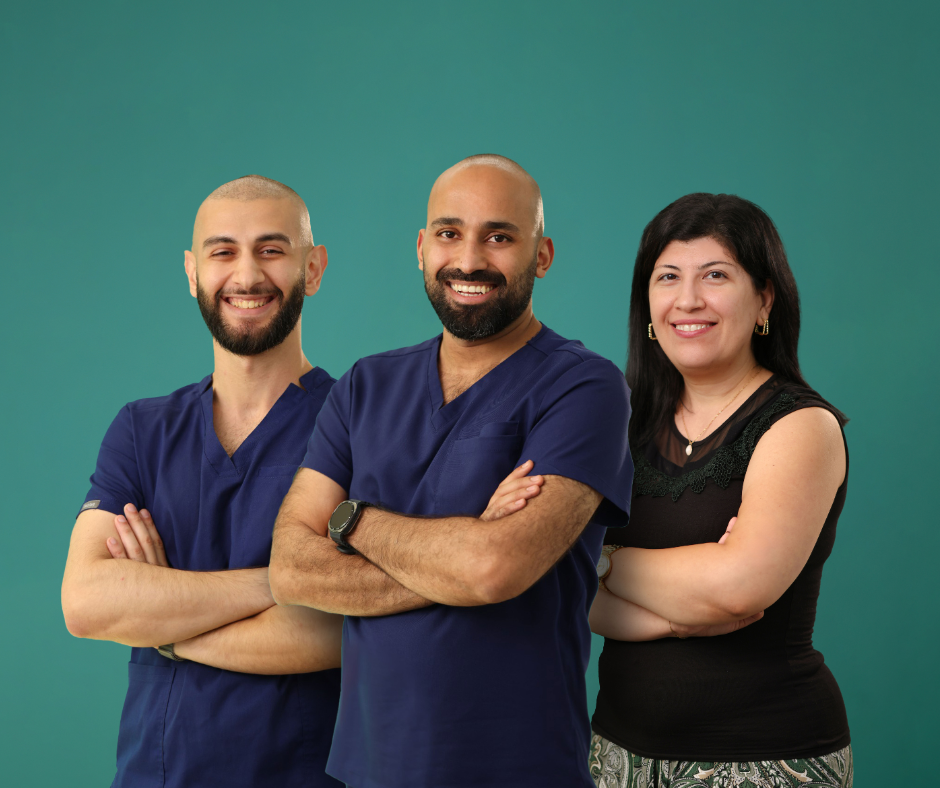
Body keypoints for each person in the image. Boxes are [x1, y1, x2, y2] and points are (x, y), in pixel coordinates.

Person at [268, 154, 634, 788]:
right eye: (448, 233)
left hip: (519, 767)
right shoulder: (364, 386)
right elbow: (290, 567)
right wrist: (462, 553)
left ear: (541, 255)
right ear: (420, 247)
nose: (468, 260)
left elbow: (496, 568)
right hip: (369, 767)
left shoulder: (584, 387)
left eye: (499, 236)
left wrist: (351, 521)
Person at [61, 176, 345, 788]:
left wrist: (164, 624)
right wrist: (283, 583)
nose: (246, 276)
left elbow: (338, 630)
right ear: (193, 272)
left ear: (313, 268)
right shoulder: (142, 430)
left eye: (272, 250)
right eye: (223, 252)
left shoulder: (358, 425)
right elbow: (86, 602)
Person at [589, 193, 853, 788]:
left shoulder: (799, 426)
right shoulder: (620, 424)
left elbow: (738, 591)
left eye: (715, 275)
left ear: (764, 297)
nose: (688, 300)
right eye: (668, 277)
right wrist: (682, 611)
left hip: (766, 759)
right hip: (615, 757)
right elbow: (568, 594)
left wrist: (602, 560)